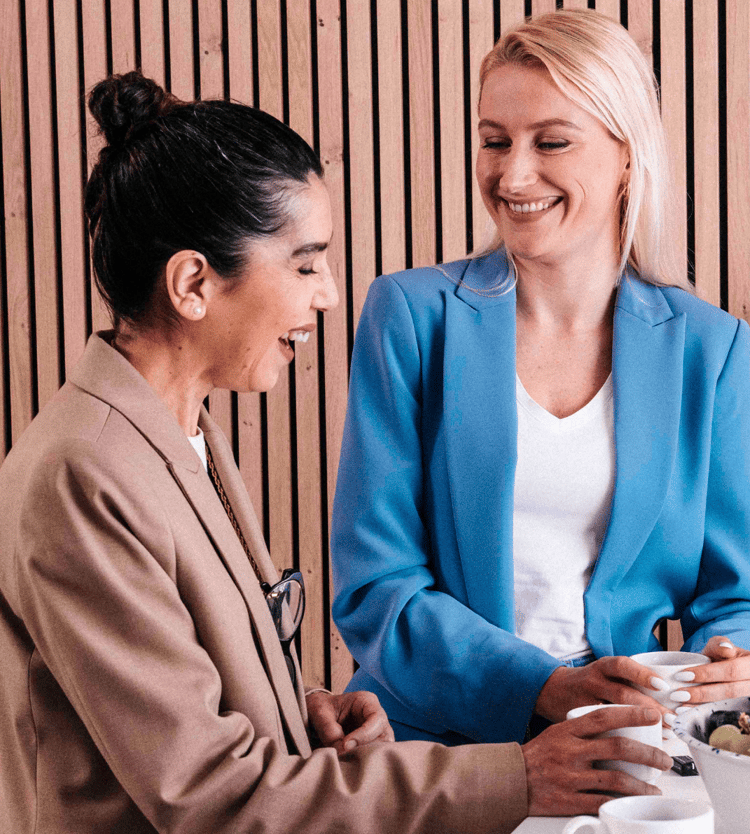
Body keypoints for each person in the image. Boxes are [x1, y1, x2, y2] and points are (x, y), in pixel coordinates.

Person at [0, 71, 671, 834]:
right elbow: (208, 796)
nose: (326, 295)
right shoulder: (82, 474)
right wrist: (517, 776)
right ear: (192, 283)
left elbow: (184, 703)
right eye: (305, 263)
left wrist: (303, 711)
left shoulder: (180, 434)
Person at [331, 8, 750, 750]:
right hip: (431, 742)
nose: (512, 174)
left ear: (628, 155)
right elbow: (376, 588)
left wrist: (728, 660)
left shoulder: (711, 350)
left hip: (629, 740)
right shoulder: (410, 316)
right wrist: (542, 689)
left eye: (550, 141)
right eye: (494, 142)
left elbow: (736, 594)